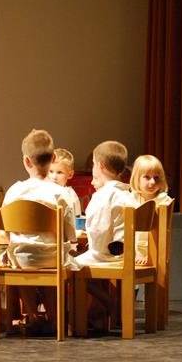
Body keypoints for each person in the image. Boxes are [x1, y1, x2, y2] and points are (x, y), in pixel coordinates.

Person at [1, 129, 78, 334]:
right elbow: (70, 233)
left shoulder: (14, 191)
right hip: (52, 258)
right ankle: (54, 318)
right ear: (53, 159)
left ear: (26, 161)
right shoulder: (60, 193)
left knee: (22, 258)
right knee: (51, 257)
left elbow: (8, 231)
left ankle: (32, 315)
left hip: (22, 258)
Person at [74, 140, 133, 328]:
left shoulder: (102, 196)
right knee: (83, 260)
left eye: (93, 165)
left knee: (70, 266)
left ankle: (105, 304)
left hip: (108, 255)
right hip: (126, 254)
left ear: (99, 166)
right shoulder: (128, 194)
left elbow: (99, 234)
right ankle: (96, 314)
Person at [129, 154, 173, 265]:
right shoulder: (129, 200)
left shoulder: (165, 202)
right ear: (137, 179)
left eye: (156, 177)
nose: (153, 182)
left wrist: (149, 256)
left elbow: (165, 237)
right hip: (132, 256)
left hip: (157, 257)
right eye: (147, 177)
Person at [48, 148, 83, 217]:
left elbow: (77, 218)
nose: (54, 177)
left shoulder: (71, 195)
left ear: (70, 174)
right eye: (51, 171)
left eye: (59, 172)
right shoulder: (42, 190)